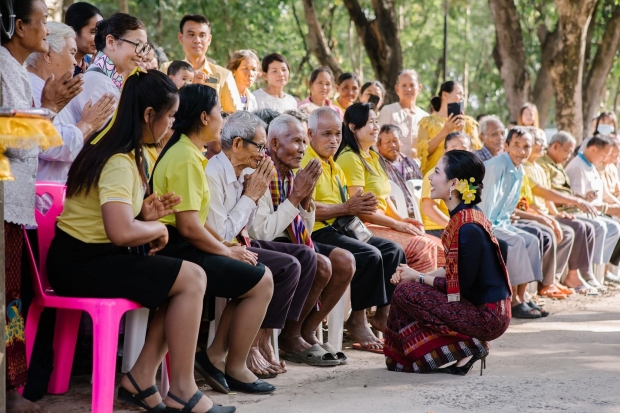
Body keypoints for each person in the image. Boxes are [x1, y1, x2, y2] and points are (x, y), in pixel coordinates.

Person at [47, 69, 235, 413]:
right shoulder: (120, 160)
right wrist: (158, 229)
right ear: (149, 115)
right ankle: (181, 389)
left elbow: (116, 220)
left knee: (183, 279)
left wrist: (145, 215)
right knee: (192, 277)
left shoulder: (121, 149)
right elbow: (119, 232)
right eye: (171, 117)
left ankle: (141, 379)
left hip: (89, 257)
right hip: (81, 263)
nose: (173, 125)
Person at [152, 85, 276, 395]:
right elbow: (190, 227)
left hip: (186, 242)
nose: (223, 119)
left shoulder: (189, 153)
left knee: (254, 275)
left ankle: (219, 358)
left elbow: (201, 225)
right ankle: (231, 365)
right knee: (261, 280)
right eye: (220, 113)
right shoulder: (186, 158)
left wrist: (229, 247)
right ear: (205, 116)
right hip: (177, 247)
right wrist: (226, 250)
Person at [0, 1, 80, 410]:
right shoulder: (1, 68)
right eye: (41, 26)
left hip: (14, 208)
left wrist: (48, 110)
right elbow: (7, 139)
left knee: (10, 301)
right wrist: (48, 108)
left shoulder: (12, 68)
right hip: (3, 204)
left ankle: (12, 393)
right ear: (16, 27)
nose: (46, 37)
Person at [206, 111, 319, 375]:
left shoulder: (248, 169)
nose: (263, 152)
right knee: (286, 266)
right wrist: (253, 195)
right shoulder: (215, 172)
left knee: (305, 257)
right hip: (223, 246)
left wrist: (302, 198)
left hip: (240, 241)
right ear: (236, 144)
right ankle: (251, 346)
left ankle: (267, 336)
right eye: (259, 146)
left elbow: (250, 226)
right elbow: (230, 232)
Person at [385, 150, 511, 375]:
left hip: (487, 317)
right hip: (480, 308)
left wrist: (418, 277)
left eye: (436, 172)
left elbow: (458, 288)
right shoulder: (466, 217)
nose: (430, 179)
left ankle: (471, 345)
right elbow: (454, 270)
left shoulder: (468, 227)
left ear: (454, 183)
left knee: (406, 293)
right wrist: (411, 273)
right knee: (407, 288)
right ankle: (458, 349)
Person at [243, 114, 355, 366]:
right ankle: (289, 336)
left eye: (304, 141)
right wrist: (296, 197)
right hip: (264, 243)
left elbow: (303, 230)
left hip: (291, 243)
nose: (303, 149)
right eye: (296, 141)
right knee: (321, 263)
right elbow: (260, 233)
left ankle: (307, 330)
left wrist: (305, 200)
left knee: (345, 261)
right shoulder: (259, 172)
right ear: (273, 144)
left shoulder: (291, 174)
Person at [302, 107, 406, 353]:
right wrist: (347, 207)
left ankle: (383, 314)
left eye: (337, 134)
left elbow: (347, 208)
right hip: (316, 230)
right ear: (310, 134)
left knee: (393, 250)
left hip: (340, 226)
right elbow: (306, 208)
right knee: (370, 255)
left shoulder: (333, 165)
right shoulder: (307, 161)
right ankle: (357, 320)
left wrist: (357, 206)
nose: (333, 140)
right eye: (326, 134)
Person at [336, 103, 443, 272]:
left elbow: (384, 199)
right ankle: (416, 296)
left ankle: (444, 296)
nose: (376, 127)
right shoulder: (350, 158)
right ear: (353, 127)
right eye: (370, 122)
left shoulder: (373, 156)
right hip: (364, 227)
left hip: (382, 223)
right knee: (424, 248)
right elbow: (361, 211)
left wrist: (402, 220)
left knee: (442, 249)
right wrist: (396, 224)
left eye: (376, 121)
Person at [26, 21, 115, 182]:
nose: (75, 62)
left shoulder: (51, 88)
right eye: (72, 53)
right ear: (48, 55)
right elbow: (50, 144)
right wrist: (87, 124)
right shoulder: (32, 87)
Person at [538, 131, 620, 292]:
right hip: (565, 210)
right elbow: (546, 194)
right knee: (592, 227)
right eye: (567, 151)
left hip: (570, 209)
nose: (569, 155)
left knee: (604, 227)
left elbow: (568, 194)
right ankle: (578, 274)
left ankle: (592, 272)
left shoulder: (558, 165)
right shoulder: (571, 165)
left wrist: (582, 198)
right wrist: (555, 213)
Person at [480, 127, 545, 318]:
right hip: (484, 223)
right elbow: (485, 207)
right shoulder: (497, 166)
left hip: (502, 222)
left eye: (526, 146)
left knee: (532, 240)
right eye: (516, 145)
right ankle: (513, 301)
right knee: (516, 241)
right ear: (506, 146)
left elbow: (507, 207)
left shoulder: (519, 169)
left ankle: (522, 296)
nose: (521, 151)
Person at [516, 128, 578, 300]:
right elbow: (532, 200)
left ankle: (552, 280)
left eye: (544, 141)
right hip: (527, 214)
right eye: (538, 141)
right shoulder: (523, 168)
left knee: (567, 232)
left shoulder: (539, 168)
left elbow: (546, 196)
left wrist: (555, 214)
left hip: (541, 213)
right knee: (548, 233)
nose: (543, 145)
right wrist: (546, 217)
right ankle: (542, 285)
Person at [60, 13, 149, 129]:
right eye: (138, 45)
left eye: (144, 48)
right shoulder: (99, 83)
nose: (142, 54)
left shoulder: (106, 78)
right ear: (111, 42)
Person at [565, 135, 620, 290]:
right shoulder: (578, 166)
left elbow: (602, 194)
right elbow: (578, 201)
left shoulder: (590, 165)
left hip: (593, 211)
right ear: (593, 149)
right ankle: (589, 272)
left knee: (613, 227)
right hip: (579, 212)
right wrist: (607, 209)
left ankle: (600, 271)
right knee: (603, 227)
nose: (605, 159)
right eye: (604, 155)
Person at [160, 14, 242, 112]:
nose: (197, 40)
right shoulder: (166, 69)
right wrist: (188, 85)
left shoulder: (223, 76)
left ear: (209, 39)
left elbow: (235, 115)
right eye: (191, 34)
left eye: (202, 35)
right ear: (180, 37)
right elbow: (159, 106)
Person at [417, 80, 481, 175]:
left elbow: (476, 153)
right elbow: (423, 153)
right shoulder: (427, 122)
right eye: (459, 93)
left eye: (463, 95)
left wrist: (462, 132)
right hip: (434, 176)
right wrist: (445, 131)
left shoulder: (468, 123)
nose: (462, 98)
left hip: (462, 176)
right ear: (445, 95)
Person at [420, 131, 472, 238]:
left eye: (463, 149)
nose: (458, 153)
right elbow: (429, 209)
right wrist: (456, 227)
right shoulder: (436, 175)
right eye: (453, 149)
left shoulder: (468, 177)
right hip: (437, 228)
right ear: (445, 152)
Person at [377, 70, 429, 158]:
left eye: (412, 85)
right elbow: (376, 142)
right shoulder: (388, 111)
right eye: (404, 85)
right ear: (397, 89)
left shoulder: (425, 117)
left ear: (419, 88)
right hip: (389, 168)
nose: (408, 89)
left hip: (417, 169)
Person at [376, 124, 422, 218]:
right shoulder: (376, 166)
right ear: (378, 146)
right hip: (393, 219)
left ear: (401, 142)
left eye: (395, 141)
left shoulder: (411, 162)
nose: (392, 145)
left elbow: (421, 188)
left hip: (418, 216)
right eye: (387, 142)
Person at [64, 1, 103, 76]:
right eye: (93, 32)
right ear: (72, 31)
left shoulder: (91, 63)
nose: (99, 38)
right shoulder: (58, 64)